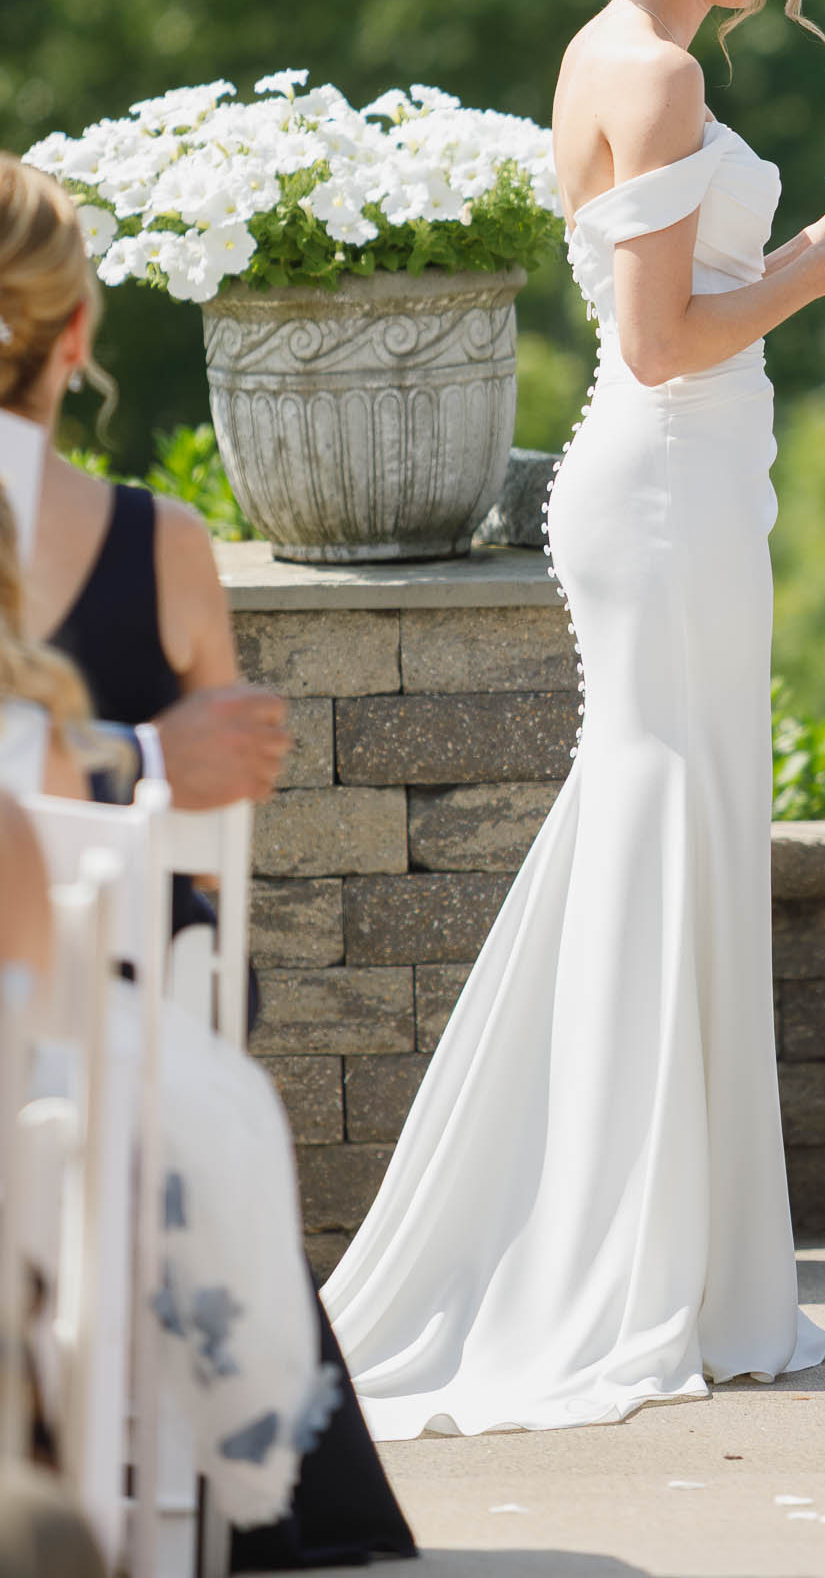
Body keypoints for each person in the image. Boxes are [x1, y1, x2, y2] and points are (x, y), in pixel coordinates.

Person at [325, 0, 825, 1435]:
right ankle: (627, 1265)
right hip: (661, 492)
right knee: (661, 830)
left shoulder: (614, 57)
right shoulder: (654, 75)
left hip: (674, 493)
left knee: (666, 830)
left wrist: (803, 258)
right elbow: (663, 342)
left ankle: (673, 1252)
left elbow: (665, 304)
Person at [0, 159, 415, 1566]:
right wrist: (145, 760)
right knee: (199, 1042)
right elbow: (215, 860)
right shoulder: (159, 548)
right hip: (112, 1002)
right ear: (75, 338)